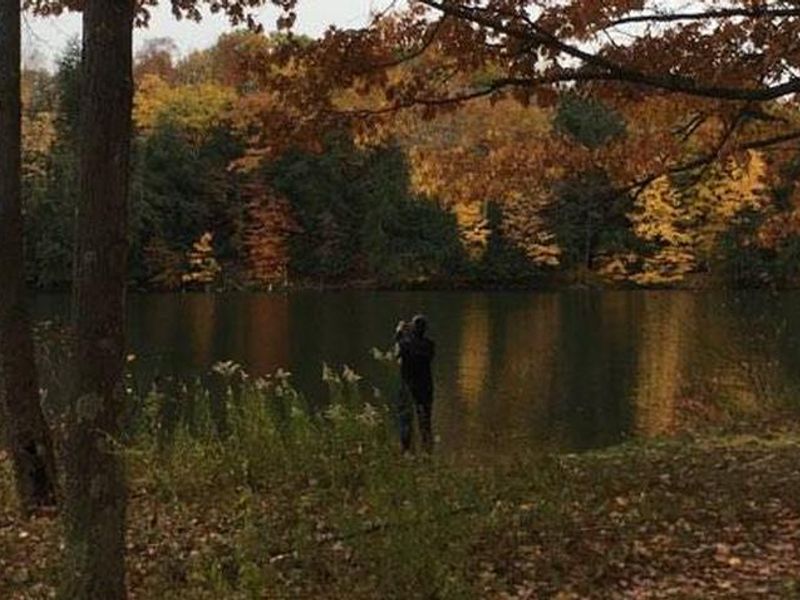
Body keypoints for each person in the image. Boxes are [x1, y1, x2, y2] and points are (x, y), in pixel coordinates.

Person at [394, 314, 435, 453]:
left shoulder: (405, 344)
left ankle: (406, 450)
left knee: (405, 418)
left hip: (408, 386)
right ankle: (427, 450)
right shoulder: (429, 345)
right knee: (425, 420)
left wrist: (399, 332)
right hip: (426, 387)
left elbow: (396, 353)